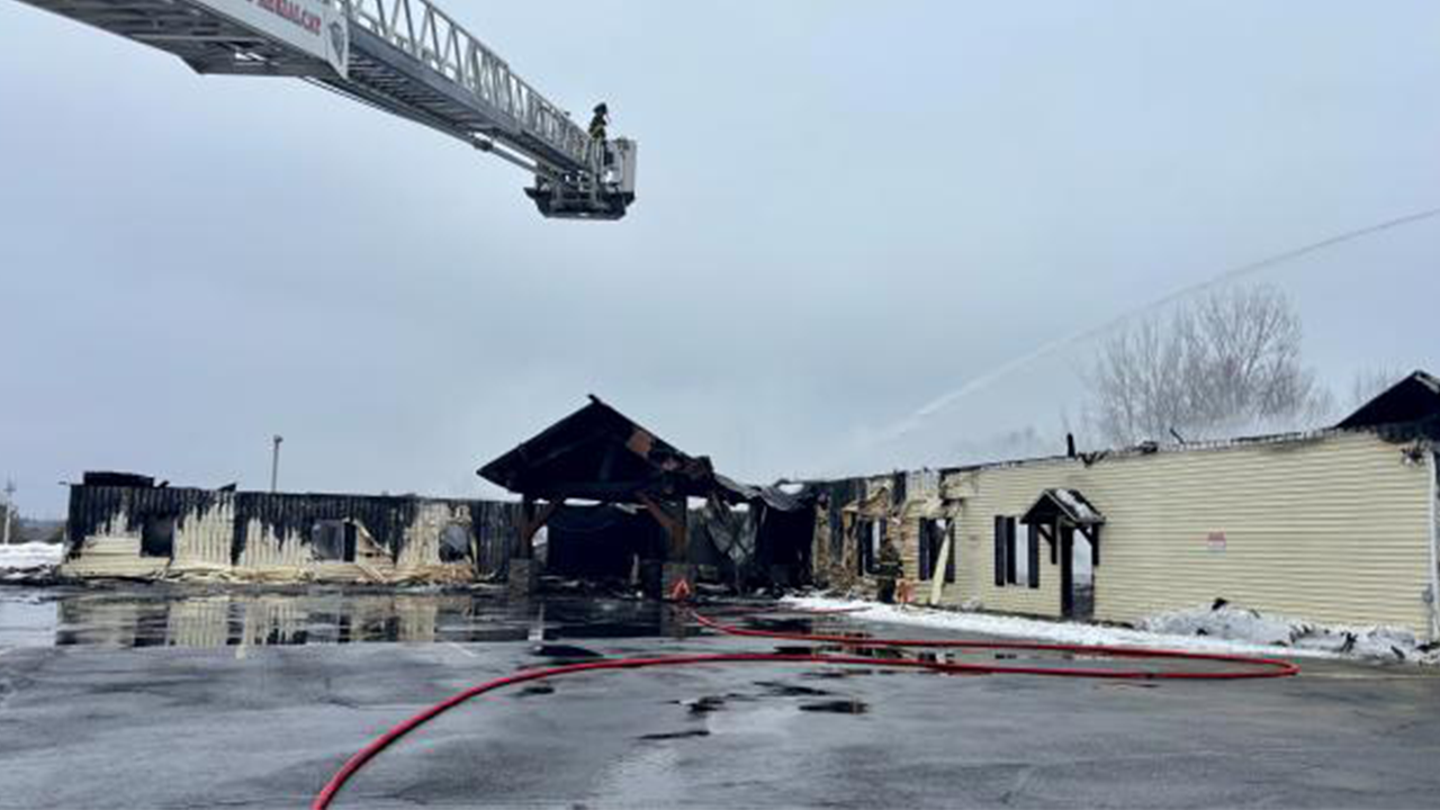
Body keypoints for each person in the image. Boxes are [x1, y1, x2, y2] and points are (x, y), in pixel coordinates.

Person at [875, 532, 903, 604]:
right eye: (887, 542)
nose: (889, 544)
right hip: (884, 573)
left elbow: (898, 560)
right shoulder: (881, 551)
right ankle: (882, 599)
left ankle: (890, 598)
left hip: (892, 573)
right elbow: (878, 561)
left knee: (891, 586)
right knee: (883, 587)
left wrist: (899, 572)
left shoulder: (894, 551)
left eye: (890, 542)